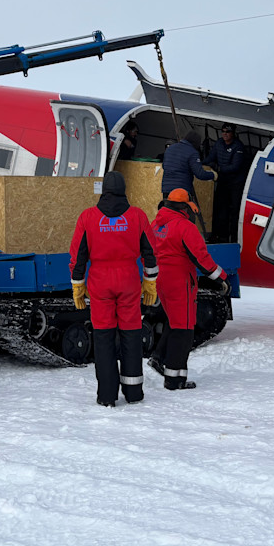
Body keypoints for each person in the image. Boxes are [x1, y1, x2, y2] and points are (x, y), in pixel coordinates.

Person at [68, 171, 158, 407]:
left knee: (104, 337)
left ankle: (107, 396)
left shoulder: (88, 217)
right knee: (131, 334)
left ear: (103, 191)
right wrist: (150, 281)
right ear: (124, 190)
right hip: (128, 280)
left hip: (100, 283)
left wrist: (78, 285)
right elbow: (150, 253)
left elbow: (78, 256)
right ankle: (133, 392)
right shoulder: (137, 216)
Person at [148, 188, 228, 390]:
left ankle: (158, 357)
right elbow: (201, 257)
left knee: (173, 322)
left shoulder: (156, 224)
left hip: (160, 280)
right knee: (183, 329)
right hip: (179, 281)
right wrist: (221, 278)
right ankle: (175, 378)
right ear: (185, 207)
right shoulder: (184, 227)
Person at [204, 123, 248, 242]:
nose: (225, 134)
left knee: (235, 210)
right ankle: (219, 235)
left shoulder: (238, 147)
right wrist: (201, 164)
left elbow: (235, 167)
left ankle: (234, 237)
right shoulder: (219, 143)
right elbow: (210, 158)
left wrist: (218, 169)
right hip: (223, 180)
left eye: (227, 132)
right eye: (223, 131)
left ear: (233, 133)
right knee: (219, 207)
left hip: (236, 183)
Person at [160, 130, 215, 198]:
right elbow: (200, 174)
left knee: (167, 208)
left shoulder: (170, 148)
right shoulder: (192, 152)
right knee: (181, 208)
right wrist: (213, 175)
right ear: (196, 143)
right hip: (181, 190)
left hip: (166, 188)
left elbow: (164, 166)